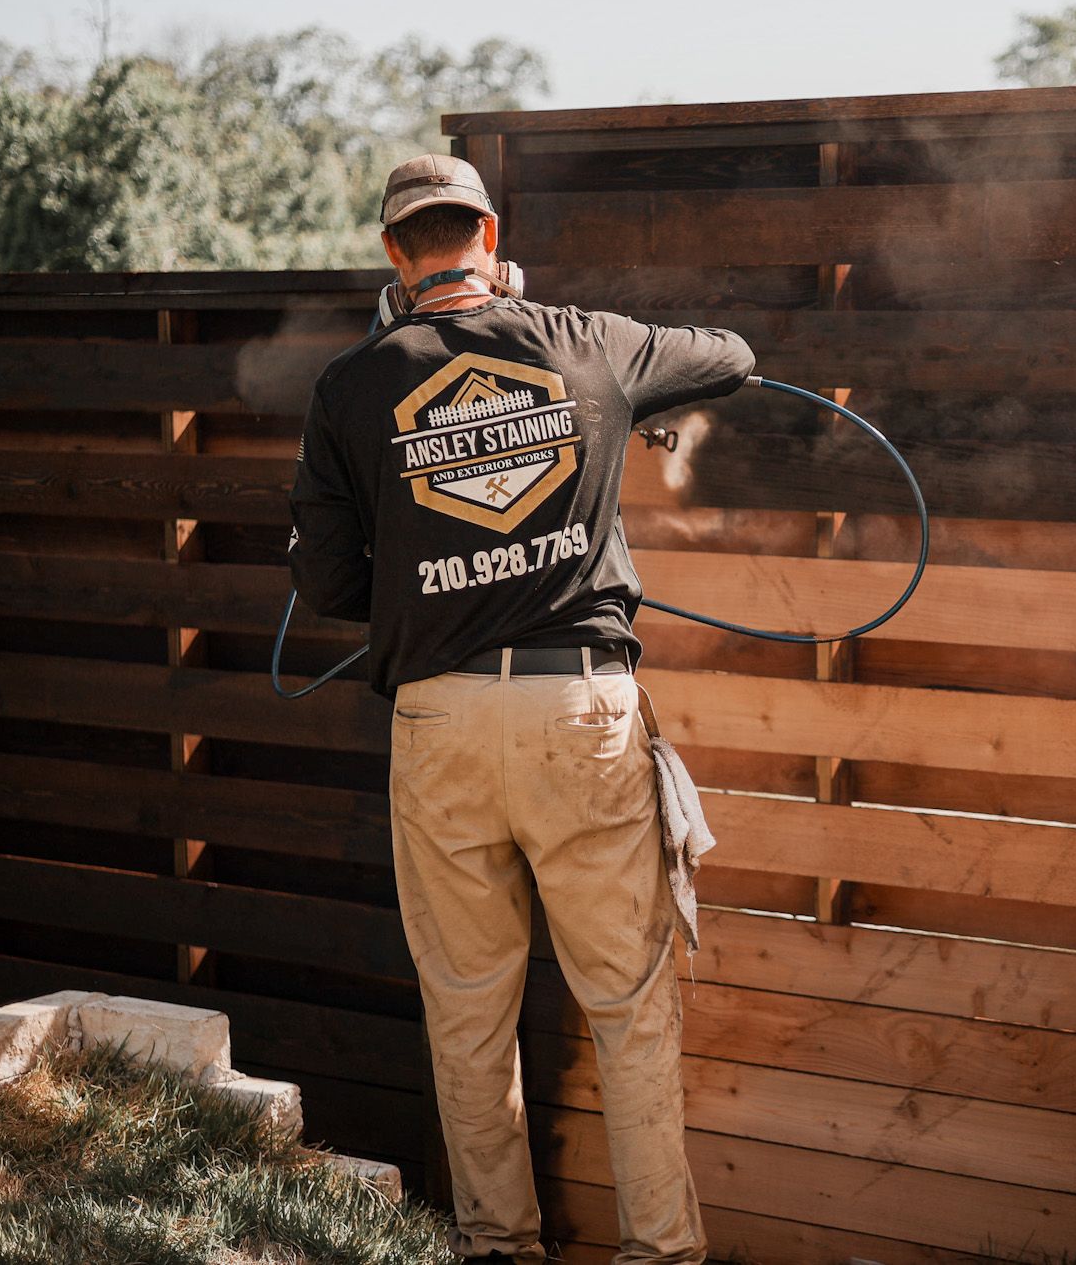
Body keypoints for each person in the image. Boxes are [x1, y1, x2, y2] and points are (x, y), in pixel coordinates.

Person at [287, 153, 754, 1264]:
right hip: (581, 712)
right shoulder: (588, 342)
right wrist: (627, 392)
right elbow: (733, 356)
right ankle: (660, 1254)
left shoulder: (351, 386)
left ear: (395, 254)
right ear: (488, 238)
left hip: (442, 723)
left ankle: (498, 1247)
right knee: (631, 1009)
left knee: (466, 1014)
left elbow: (326, 586)